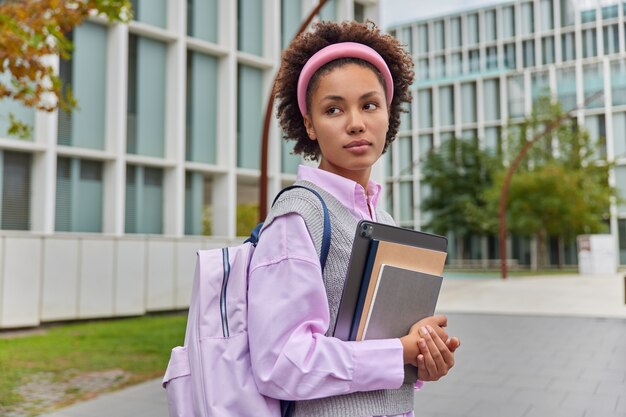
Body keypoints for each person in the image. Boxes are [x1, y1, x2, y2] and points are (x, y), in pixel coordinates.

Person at [247, 20, 460, 417]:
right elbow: (281, 364)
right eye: (333, 109)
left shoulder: (386, 218)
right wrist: (399, 351)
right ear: (309, 124)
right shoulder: (298, 216)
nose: (356, 122)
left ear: (388, 114)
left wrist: (423, 359)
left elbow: (385, 349)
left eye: (369, 104)